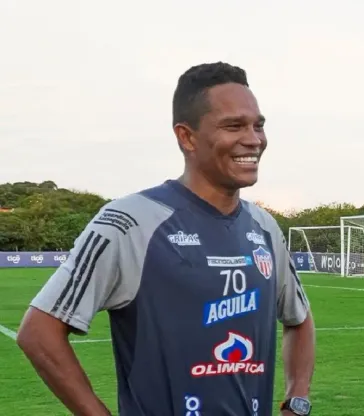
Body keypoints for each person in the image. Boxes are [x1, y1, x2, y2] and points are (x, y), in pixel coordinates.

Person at [16, 62, 316, 416]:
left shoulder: (263, 226)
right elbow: (38, 331)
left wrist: (297, 401)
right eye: (233, 126)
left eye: (258, 125)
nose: (253, 139)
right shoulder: (130, 221)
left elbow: (299, 318)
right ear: (186, 137)